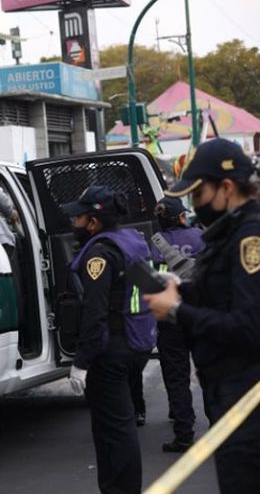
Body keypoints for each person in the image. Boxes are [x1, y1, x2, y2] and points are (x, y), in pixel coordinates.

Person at [143, 139, 260, 493]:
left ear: (227, 187)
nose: (195, 205)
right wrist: (181, 289)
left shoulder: (250, 239)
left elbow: (251, 327)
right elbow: (223, 296)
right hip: (230, 394)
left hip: (248, 399)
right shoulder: (228, 234)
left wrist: (177, 311)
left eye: (198, 194)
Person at [62, 185, 156, 494]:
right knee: (122, 425)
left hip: (109, 351)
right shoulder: (132, 242)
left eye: (79, 217)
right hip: (135, 343)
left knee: (113, 432)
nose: (74, 223)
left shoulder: (99, 254)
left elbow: (95, 313)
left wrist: (81, 363)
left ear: (93, 222)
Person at [151, 197, 205, 452]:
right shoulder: (201, 237)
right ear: (182, 217)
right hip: (200, 315)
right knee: (209, 372)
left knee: (176, 376)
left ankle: (184, 434)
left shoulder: (154, 244)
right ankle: (220, 428)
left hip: (170, 318)